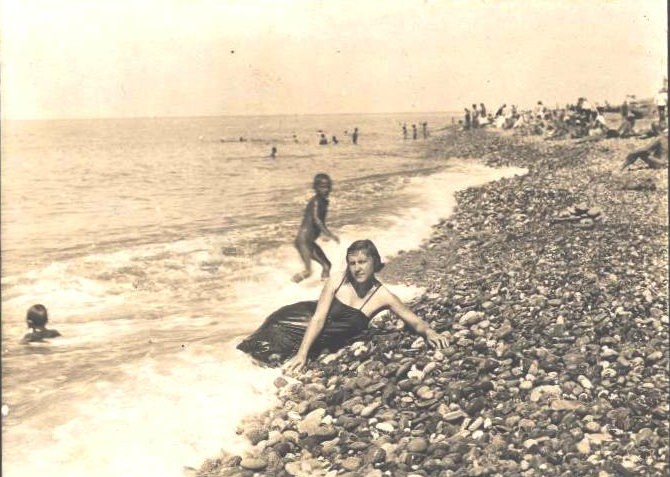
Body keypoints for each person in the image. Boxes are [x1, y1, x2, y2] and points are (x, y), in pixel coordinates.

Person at [237, 240, 449, 369]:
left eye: (362, 262)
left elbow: (415, 322)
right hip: (290, 322)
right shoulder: (338, 279)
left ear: (374, 262)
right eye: (352, 263)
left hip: (312, 335)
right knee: (252, 356)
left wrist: (430, 332)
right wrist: (302, 354)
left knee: (269, 360)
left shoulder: (382, 296)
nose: (357, 268)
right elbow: (318, 318)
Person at [292, 173, 340, 283]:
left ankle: (324, 289)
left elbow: (319, 222)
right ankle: (287, 287)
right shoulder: (316, 201)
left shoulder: (323, 201)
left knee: (327, 265)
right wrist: (330, 235)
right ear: (315, 188)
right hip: (303, 241)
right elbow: (317, 220)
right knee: (308, 271)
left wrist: (324, 234)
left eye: (328, 186)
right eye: (322, 187)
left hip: (309, 242)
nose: (326, 189)